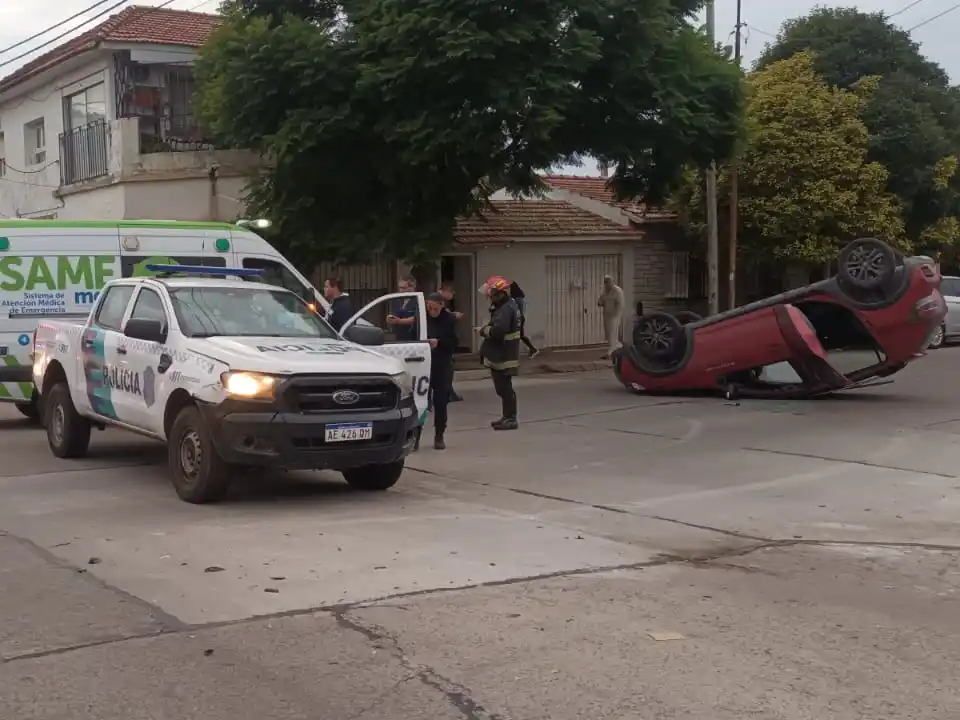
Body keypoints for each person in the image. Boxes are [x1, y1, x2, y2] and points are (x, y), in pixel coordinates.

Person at [476, 275, 521, 430]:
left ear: (500, 293)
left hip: (504, 354)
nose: (490, 298)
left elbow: (498, 331)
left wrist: (483, 330)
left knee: (504, 388)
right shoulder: (506, 306)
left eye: (492, 295)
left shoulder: (506, 309)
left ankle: (511, 418)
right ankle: (507, 416)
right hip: (503, 352)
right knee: (502, 388)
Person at [425, 292, 458, 449]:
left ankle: (439, 435)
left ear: (441, 305)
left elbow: (454, 341)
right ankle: (415, 435)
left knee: (440, 401)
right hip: (425, 363)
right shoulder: (423, 318)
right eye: (429, 307)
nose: (431, 311)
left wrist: (439, 342)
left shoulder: (448, 319)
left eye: (434, 308)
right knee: (420, 402)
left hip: (442, 363)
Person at [438, 282, 464, 402]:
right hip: (442, 340)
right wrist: (454, 316)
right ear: (445, 291)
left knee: (448, 367)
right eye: (452, 292)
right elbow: (441, 316)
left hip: (446, 340)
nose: (453, 295)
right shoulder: (438, 301)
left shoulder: (443, 302)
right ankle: (447, 393)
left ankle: (449, 391)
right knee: (446, 368)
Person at [508, 280, 539, 358]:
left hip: (518, 319)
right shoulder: (519, 298)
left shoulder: (517, 299)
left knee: (518, 336)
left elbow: (516, 310)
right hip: (520, 318)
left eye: (510, 289)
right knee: (519, 336)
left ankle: (533, 349)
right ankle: (532, 349)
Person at [597, 274, 624, 359]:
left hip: (614, 316)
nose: (606, 284)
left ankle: (611, 352)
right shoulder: (604, 291)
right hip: (607, 315)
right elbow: (601, 300)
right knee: (609, 333)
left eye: (608, 282)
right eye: (605, 282)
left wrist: (617, 314)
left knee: (612, 332)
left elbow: (620, 304)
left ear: (612, 282)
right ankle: (618, 347)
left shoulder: (617, 291)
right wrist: (600, 302)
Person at [387, 275, 418, 341]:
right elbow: (394, 314)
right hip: (398, 337)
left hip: (413, 337)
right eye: (400, 288)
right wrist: (390, 318)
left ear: (413, 287)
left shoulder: (418, 300)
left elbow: (417, 318)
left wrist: (399, 321)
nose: (401, 290)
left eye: (404, 288)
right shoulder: (396, 300)